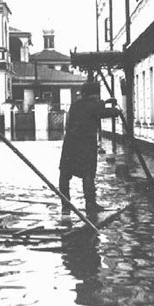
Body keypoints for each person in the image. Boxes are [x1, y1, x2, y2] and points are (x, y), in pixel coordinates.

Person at [59, 80, 120, 213]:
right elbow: (110, 112)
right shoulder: (95, 105)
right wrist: (117, 110)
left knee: (65, 173)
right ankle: (90, 205)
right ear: (95, 94)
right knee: (88, 174)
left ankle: (65, 205)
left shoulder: (75, 105)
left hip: (70, 145)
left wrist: (105, 102)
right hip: (86, 145)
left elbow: (91, 107)